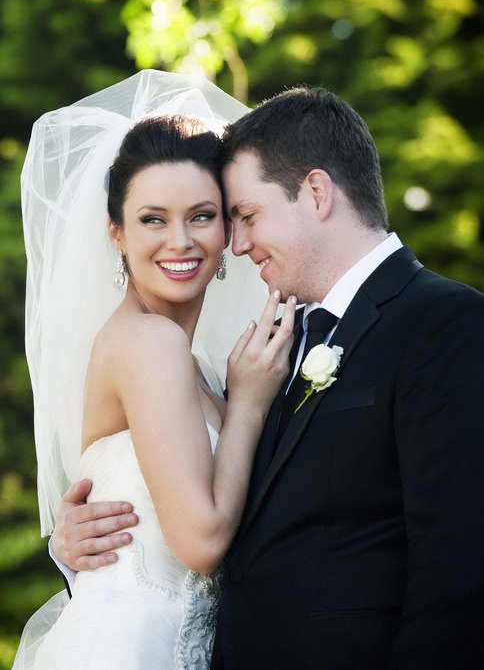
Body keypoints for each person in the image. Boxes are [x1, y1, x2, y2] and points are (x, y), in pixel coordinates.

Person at [51, 86, 484, 669]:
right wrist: (73, 544)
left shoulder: (441, 322)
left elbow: (458, 562)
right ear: (117, 233)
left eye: (232, 216)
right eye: (154, 218)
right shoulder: (243, 362)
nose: (234, 242)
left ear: (316, 191)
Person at [13, 71, 296, 670]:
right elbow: (200, 541)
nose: (180, 241)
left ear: (227, 228)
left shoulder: (184, 362)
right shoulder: (149, 344)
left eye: (201, 215)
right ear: (115, 232)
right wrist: (247, 404)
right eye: (151, 219)